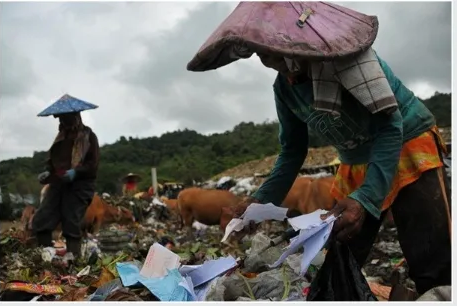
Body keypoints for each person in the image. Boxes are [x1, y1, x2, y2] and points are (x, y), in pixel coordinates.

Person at [189, 3, 451, 295]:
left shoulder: (348, 59)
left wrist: (365, 199)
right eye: (258, 50)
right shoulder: (284, 89)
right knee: (342, 251)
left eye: (269, 47)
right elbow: (292, 150)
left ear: (290, 38)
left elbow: (390, 126)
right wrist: (257, 203)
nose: (264, 57)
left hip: (407, 146)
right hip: (356, 163)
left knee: (430, 257)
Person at [33, 109, 99, 258]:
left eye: (67, 119)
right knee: (43, 217)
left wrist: (76, 172)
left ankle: (73, 258)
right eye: (61, 119)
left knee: (71, 219)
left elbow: (92, 165)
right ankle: (45, 255)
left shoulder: (88, 137)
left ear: (76, 117)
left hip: (80, 185)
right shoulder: (61, 138)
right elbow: (53, 162)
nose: (63, 122)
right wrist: (48, 173)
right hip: (59, 182)